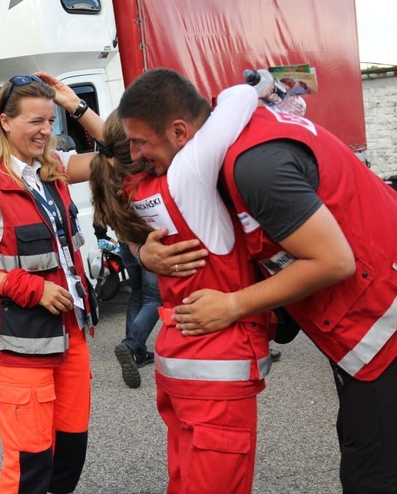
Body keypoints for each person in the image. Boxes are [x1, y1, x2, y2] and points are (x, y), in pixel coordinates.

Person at [138, 73, 397, 493]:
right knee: (356, 437)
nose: (135, 155)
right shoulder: (223, 135)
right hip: (374, 280)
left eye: (140, 143)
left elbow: (332, 261)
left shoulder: (254, 166)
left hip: (393, 300)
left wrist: (231, 306)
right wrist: (146, 253)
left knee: (371, 467)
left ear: (179, 131)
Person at [90, 73, 271, 493]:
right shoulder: (186, 174)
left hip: (181, 364)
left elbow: (118, 149)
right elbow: (238, 98)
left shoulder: (134, 188)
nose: (138, 149)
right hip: (218, 366)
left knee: (185, 481)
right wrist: (260, 84)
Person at [0, 71, 102, 494]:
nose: (46, 131)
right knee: (30, 468)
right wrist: (29, 287)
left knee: (69, 458)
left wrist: (74, 105)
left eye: (51, 121)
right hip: (18, 347)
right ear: (5, 122)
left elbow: (127, 157)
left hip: (71, 338)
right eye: (36, 121)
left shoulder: (55, 169)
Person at [93, 222, 161, 388]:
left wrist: (101, 235)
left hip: (124, 241)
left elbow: (100, 213)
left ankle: (138, 354)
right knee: (154, 298)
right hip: (146, 241)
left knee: (137, 293)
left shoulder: (107, 195)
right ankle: (131, 345)